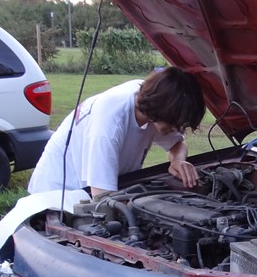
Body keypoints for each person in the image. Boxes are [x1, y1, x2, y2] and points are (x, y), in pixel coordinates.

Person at [28, 66, 206, 199]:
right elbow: (103, 197)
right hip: (59, 196)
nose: (177, 129)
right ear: (162, 110)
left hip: (95, 191)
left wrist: (178, 160)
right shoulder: (108, 125)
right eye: (176, 124)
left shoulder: (150, 98)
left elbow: (177, 143)